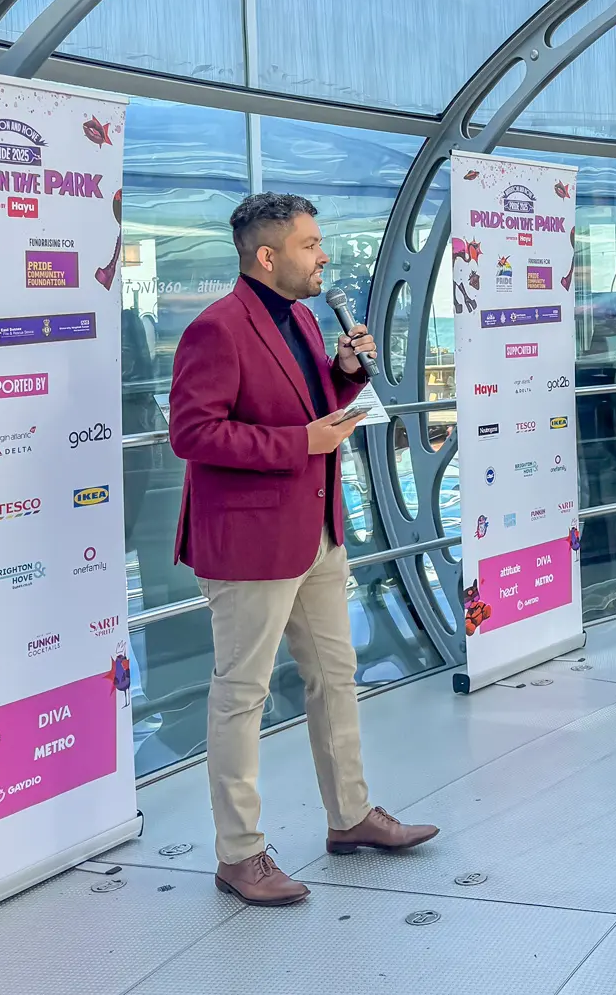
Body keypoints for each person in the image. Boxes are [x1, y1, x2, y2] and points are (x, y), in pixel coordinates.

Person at [170, 193, 438, 907]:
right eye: (311, 243)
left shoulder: (297, 318)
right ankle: (239, 854)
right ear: (268, 255)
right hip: (250, 544)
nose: (324, 255)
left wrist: (345, 370)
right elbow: (193, 434)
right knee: (241, 697)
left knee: (335, 676)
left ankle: (349, 815)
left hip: (316, 531)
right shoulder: (215, 329)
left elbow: (309, 400)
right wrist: (301, 444)